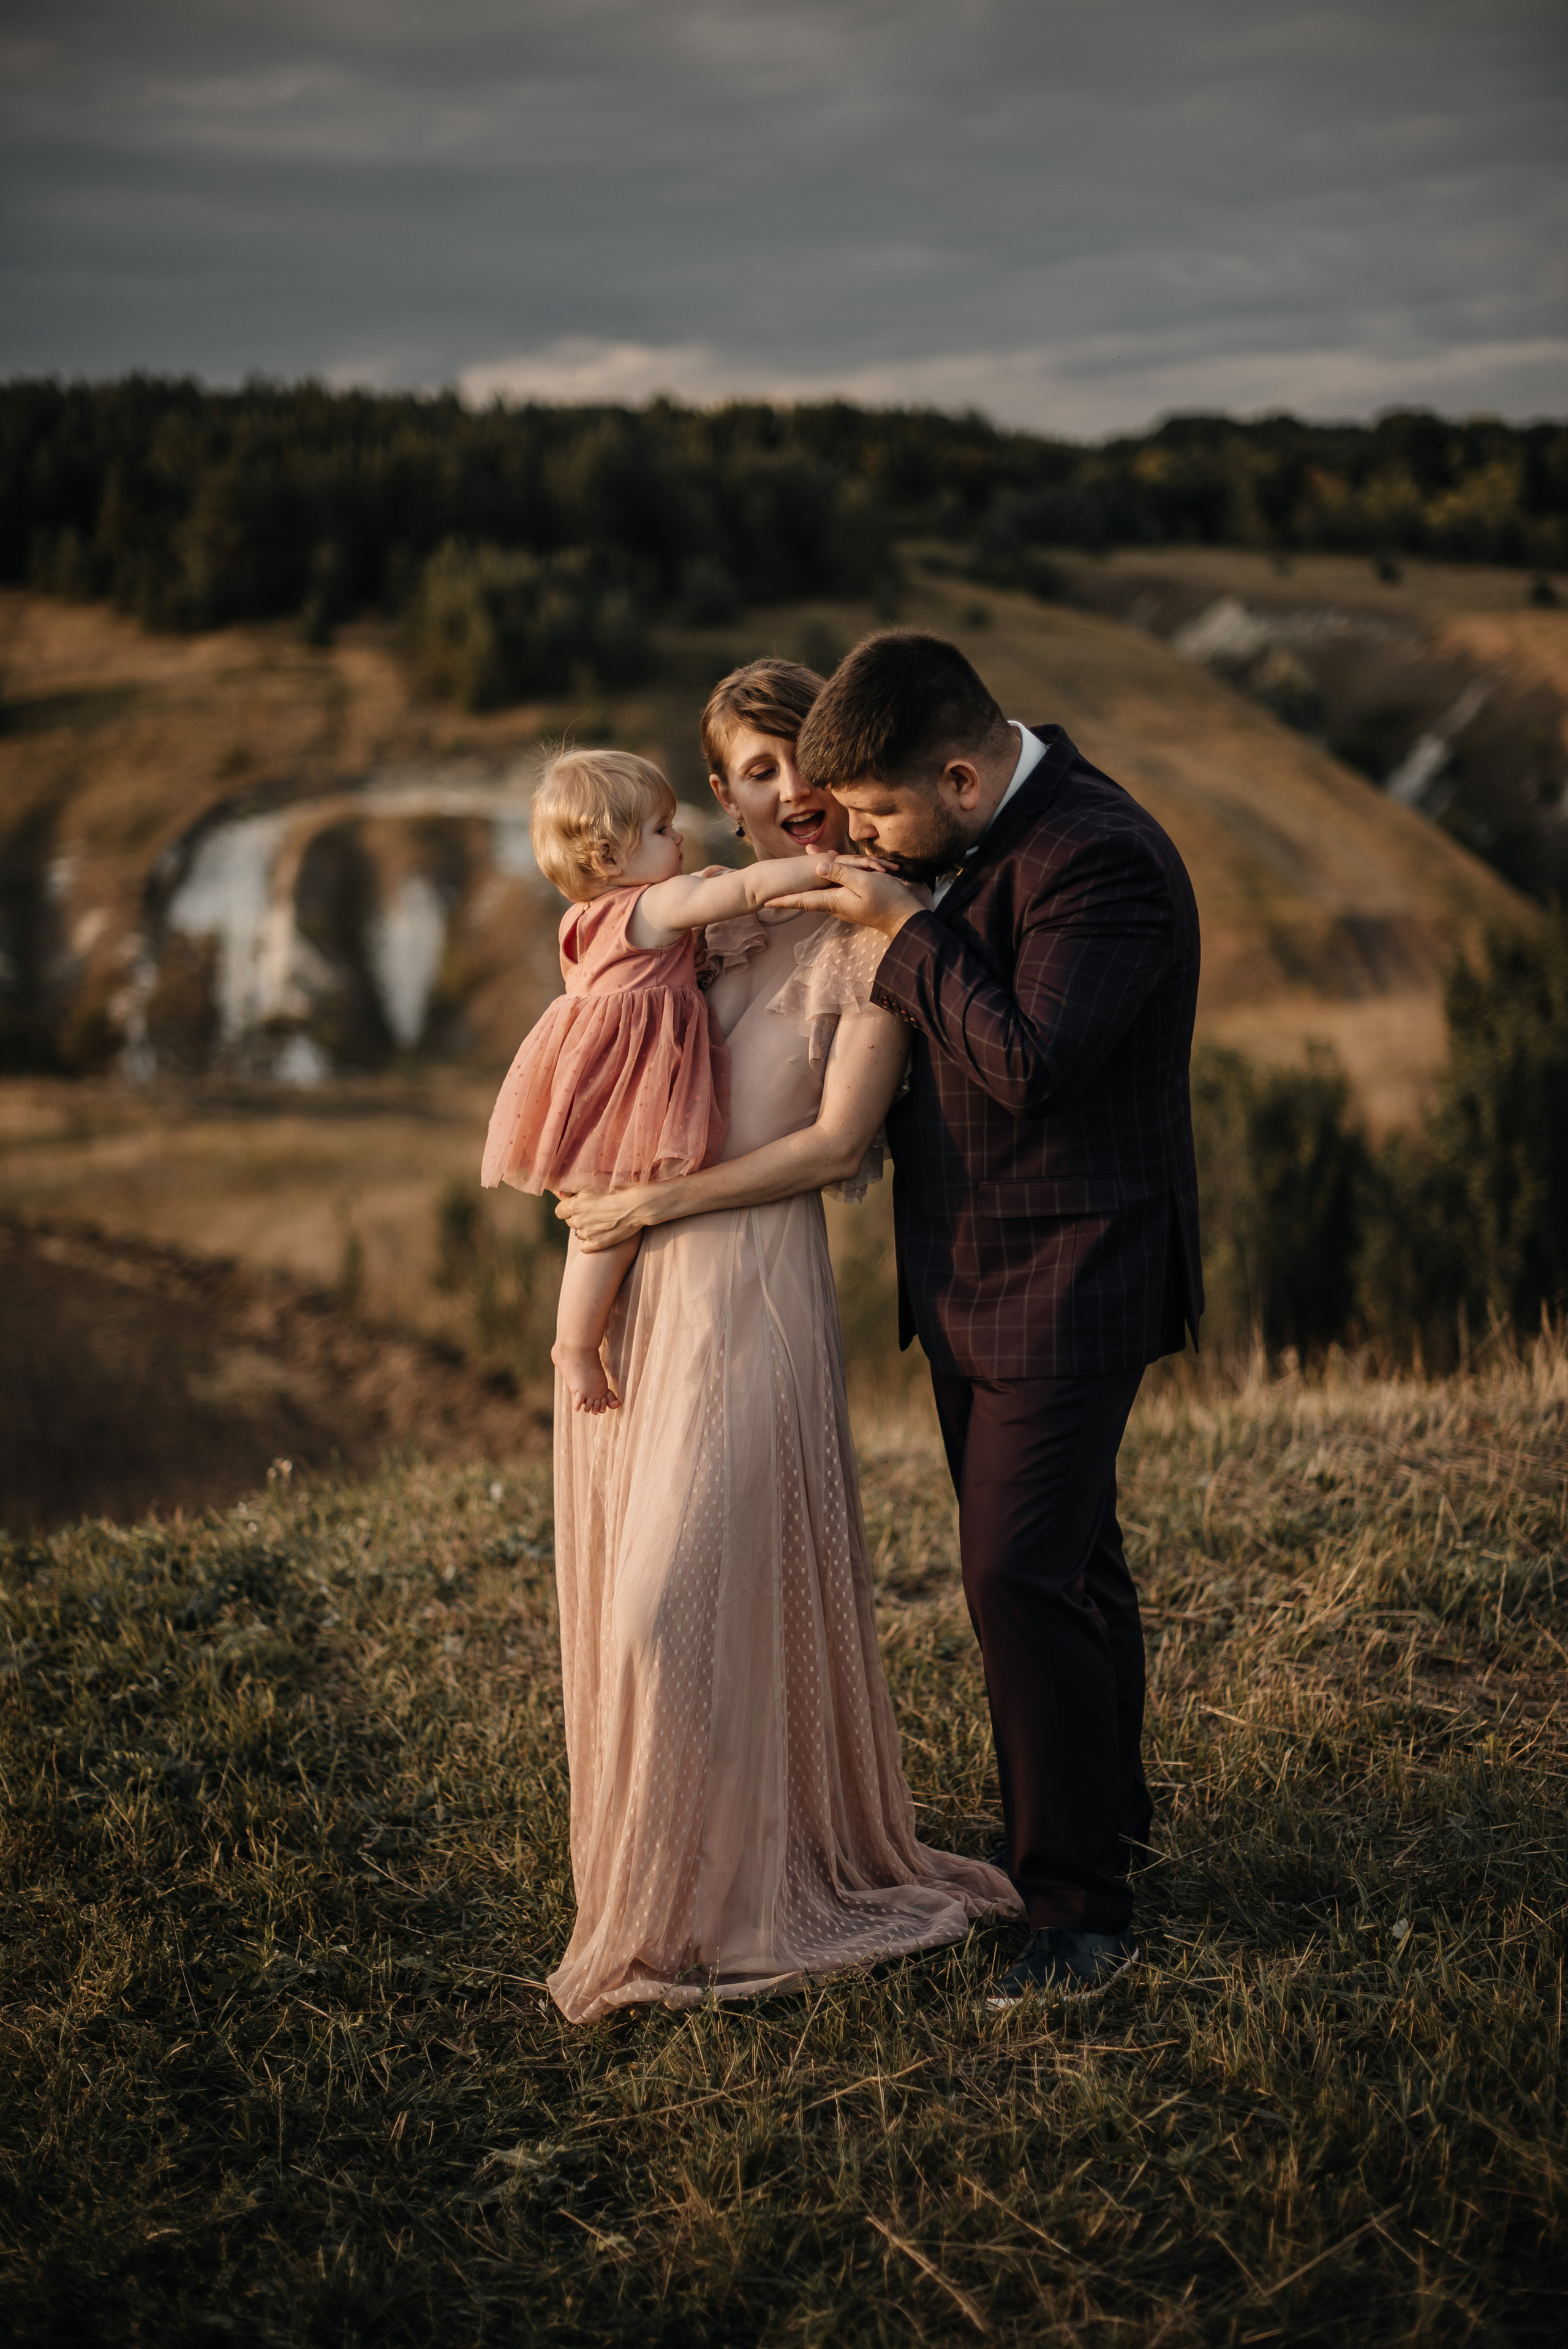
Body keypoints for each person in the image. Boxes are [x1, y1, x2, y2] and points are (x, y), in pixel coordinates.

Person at [548, 660, 1019, 2023]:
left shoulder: (880, 934)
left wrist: (654, 1199)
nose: (790, 792)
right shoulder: (685, 926)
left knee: (667, 1608)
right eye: (757, 771)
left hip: (748, 1289)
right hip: (636, 1284)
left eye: (802, 764)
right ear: (720, 796)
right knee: (664, 1598)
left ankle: (762, 1889)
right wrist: (598, 1202)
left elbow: (828, 1147)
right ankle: (687, 1891)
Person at [777, 630, 1202, 2007]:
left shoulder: (1102, 859)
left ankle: (1078, 1912)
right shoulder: (959, 836)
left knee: (1013, 1575)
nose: (868, 844)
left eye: (883, 815)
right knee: (1071, 1566)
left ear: (960, 774)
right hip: (974, 1282)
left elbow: (1028, 1065)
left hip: (1076, 1274)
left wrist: (902, 934)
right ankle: (1113, 1816)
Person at [481, 748, 820, 1413]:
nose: (680, 838)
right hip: (629, 1089)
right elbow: (748, 892)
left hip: (592, 1082)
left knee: (600, 1220)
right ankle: (575, 1345)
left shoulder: (581, 920)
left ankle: (586, 1336)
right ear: (609, 857)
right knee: (614, 1222)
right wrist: (828, 868)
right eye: (662, 831)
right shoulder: (657, 906)